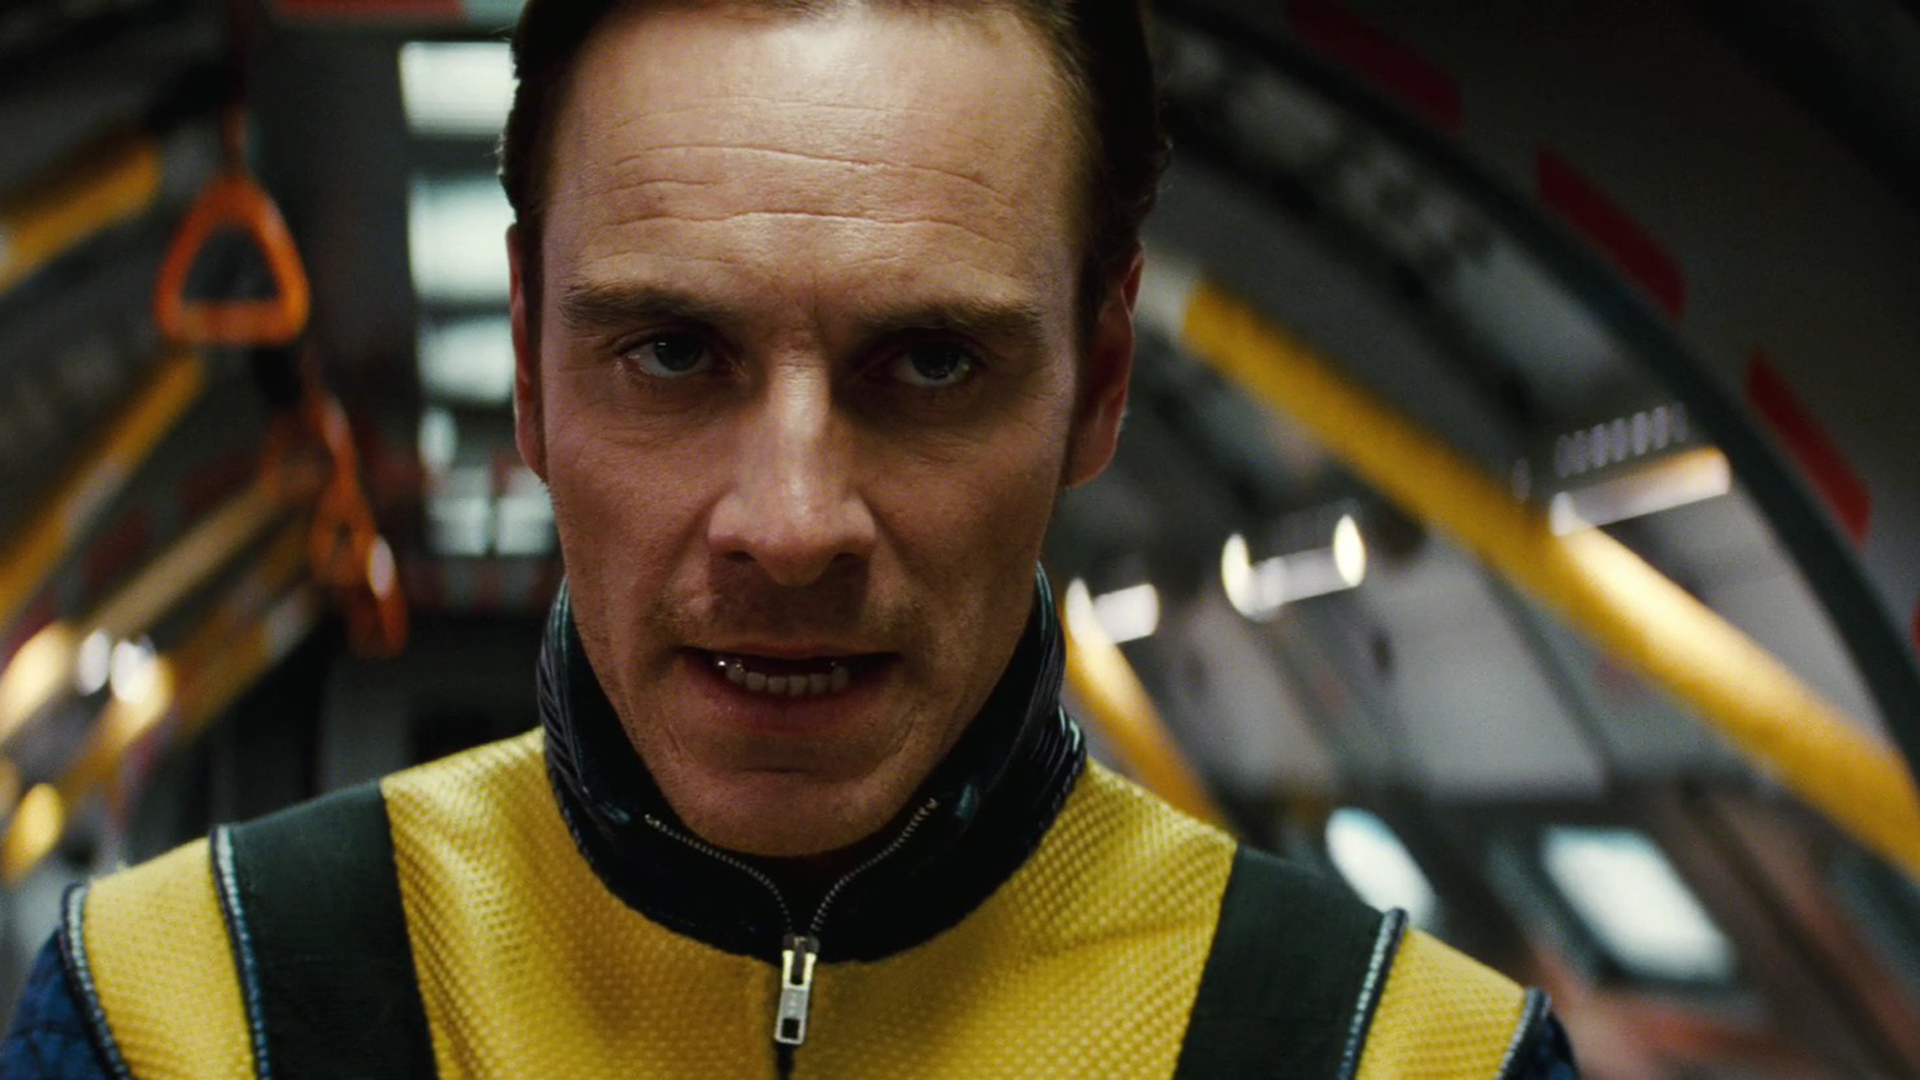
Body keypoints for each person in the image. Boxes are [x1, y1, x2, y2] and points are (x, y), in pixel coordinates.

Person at [4, 1, 1577, 1076]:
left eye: (932, 364)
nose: (791, 526)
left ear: (1099, 386)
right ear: (533, 372)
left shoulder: (1397, 1055)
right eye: (674, 353)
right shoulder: (184, 1017)